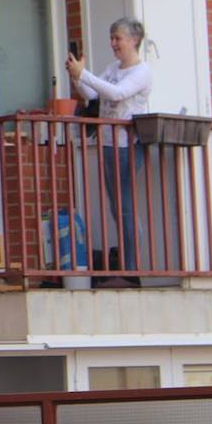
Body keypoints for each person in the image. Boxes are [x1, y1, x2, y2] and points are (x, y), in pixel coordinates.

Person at [66, 16, 152, 278]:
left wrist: (85, 75)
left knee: (125, 206)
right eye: (112, 38)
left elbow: (116, 94)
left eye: (118, 38)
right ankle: (127, 263)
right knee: (116, 206)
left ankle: (132, 268)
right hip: (106, 142)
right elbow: (92, 95)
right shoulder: (113, 68)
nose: (113, 43)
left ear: (134, 40)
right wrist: (76, 76)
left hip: (128, 145)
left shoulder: (142, 71)